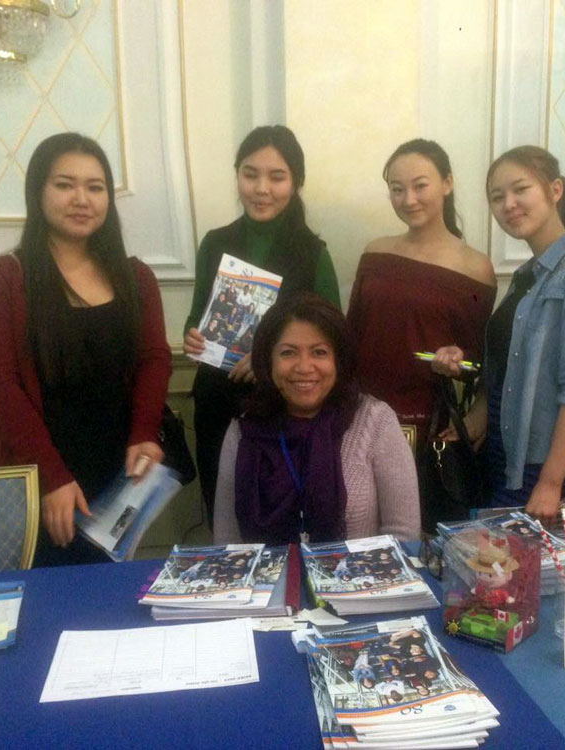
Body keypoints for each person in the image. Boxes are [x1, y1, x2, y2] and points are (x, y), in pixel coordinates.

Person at [0, 132, 171, 566]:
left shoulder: (137, 278)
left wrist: (145, 432)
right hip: (40, 473)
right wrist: (52, 477)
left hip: (120, 475)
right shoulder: (2, 278)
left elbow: (154, 359)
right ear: (38, 191)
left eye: (95, 187)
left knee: (112, 590)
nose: (82, 199)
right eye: (64, 185)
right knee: (45, 589)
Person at [432, 146, 565, 523]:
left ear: (555, 190)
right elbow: (507, 369)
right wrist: (477, 412)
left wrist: (550, 482)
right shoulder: (525, 276)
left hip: (541, 467)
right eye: (497, 197)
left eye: (520, 190)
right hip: (502, 457)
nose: (509, 204)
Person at [183, 125, 340, 527]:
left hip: (283, 406)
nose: (261, 188)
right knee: (224, 517)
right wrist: (193, 336)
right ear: (237, 175)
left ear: (296, 182)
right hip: (217, 403)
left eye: (277, 177)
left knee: (278, 520)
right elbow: (197, 314)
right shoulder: (214, 243)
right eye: (250, 174)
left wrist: (269, 358)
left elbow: (333, 338)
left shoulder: (313, 253)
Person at [212, 293, 420, 545]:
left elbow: (404, 537)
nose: (304, 367)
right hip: (265, 572)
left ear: (338, 359)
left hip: (362, 571)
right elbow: (227, 542)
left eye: (319, 352)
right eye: (288, 353)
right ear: (268, 360)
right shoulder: (243, 430)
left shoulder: (375, 421)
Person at [347, 138, 497, 433]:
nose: (408, 200)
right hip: (360, 413)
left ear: (447, 183)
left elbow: (479, 362)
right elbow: (350, 335)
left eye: (420, 186)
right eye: (397, 189)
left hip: (426, 423)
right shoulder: (375, 252)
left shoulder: (475, 268)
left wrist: (457, 360)